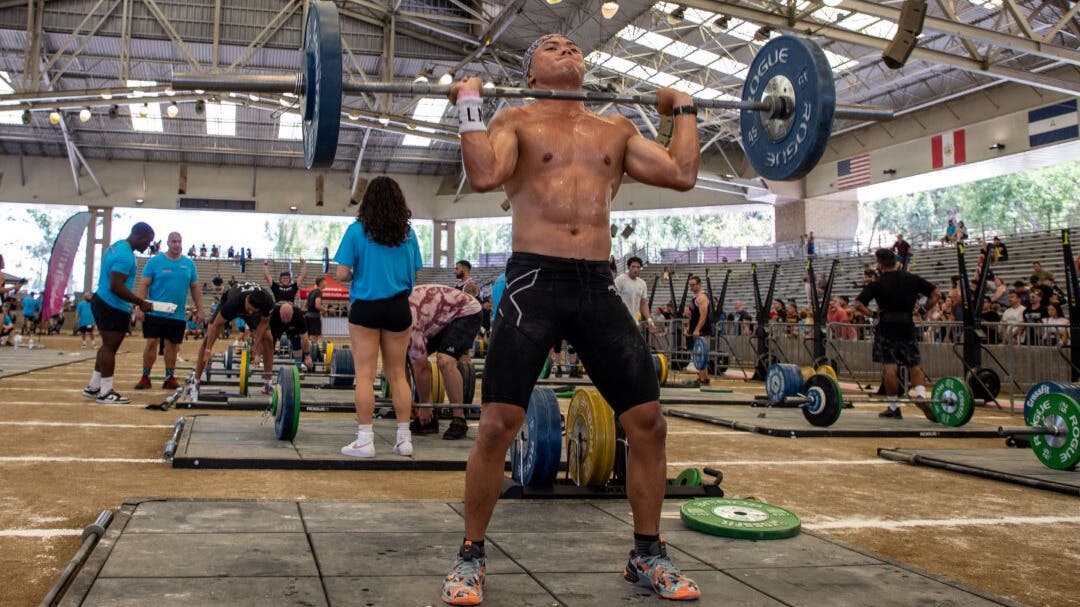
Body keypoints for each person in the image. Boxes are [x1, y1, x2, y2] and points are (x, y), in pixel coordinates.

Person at [442, 33, 702, 604]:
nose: (566, 48)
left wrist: (682, 104)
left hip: (596, 284)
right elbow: (485, 175)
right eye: (551, 45)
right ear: (531, 68)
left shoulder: (616, 130)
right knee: (495, 425)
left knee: (649, 423)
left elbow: (683, 173)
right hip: (534, 281)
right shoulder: (515, 119)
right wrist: (468, 103)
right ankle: (470, 555)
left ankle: (647, 552)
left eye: (573, 44)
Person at [333, 176, 423, 459]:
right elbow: (413, 274)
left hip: (366, 309)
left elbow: (342, 273)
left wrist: (360, 274)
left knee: (365, 375)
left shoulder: (356, 231)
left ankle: (365, 440)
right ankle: (404, 439)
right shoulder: (408, 235)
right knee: (398, 374)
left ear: (367, 201)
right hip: (398, 307)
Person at [853, 249, 939, 420]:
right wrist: (922, 309)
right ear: (895, 262)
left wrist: (874, 315)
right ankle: (921, 394)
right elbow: (936, 293)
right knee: (914, 364)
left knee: (890, 369)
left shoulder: (877, 284)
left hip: (886, 327)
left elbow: (857, 304)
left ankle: (893, 407)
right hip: (907, 325)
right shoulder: (911, 278)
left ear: (880, 264)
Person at [81, 222, 155, 404]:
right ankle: (105, 391)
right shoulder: (125, 256)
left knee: (106, 346)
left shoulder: (116, 247)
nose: (148, 247)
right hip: (112, 305)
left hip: (103, 300)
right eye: (147, 242)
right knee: (109, 348)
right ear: (139, 236)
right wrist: (140, 302)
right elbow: (116, 286)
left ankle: (94, 386)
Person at [408, 284, 484, 440]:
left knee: (445, 360)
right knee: (403, 357)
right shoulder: (394, 319)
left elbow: (421, 368)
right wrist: (407, 403)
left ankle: (459, 418)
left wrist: (425, 404)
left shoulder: (410, 319)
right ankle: (429, 420)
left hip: (466, 311)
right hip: (440, 317)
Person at [133, 232, 204, 390]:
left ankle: (169, 377)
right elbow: (144, 284)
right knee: (151, 342)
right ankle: (145, 376)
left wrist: (200, 309)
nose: (176, 244)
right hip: (154, 312)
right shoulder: (155, 262)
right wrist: (139, 307)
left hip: (176, 314)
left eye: (179, 241)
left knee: (172, 346)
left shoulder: (189, 264)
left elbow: (195, 287)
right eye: (173, 241)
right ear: (167, 243)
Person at [191, 282, 275, 398]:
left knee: (268, 339)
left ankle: (267, 384)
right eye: (249, 309)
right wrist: (208, 350)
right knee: (208, 339)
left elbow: (263, 324)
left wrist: (255, 347)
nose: (249, 312)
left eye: (253, 311)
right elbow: (217, 325)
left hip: (252, 305)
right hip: (231, 300)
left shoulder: (268, 302)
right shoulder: (233, 302)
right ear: (247, 300)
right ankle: (196, 381)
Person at [264, 301, 314, 370]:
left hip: (293, 326)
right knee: (271, 341)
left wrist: (307, 355)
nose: (286, 320)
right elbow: (265, 335)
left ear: (292, 313)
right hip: (277, 325)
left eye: (288, 318)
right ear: (280, 313)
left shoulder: (298, 315)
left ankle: (298, 367)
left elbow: (304, 338)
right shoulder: (273, 314)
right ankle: (268, 368)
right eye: (284, 318)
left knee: (297, 342)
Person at [614, 256, 654, 331]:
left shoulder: (642, 283)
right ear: (629, 267)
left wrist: (649, 319)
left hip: (635, 322)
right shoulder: (620, 280)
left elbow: (643, 303)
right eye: (633, 266)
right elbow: (612, 299)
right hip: (620, 322)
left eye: (638, 267)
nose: (635, 269)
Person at [304, 276, 326, 347]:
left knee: (307, 337)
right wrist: (324, 309)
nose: (326, 283)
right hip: (314, 318)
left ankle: (306, 354)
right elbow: (317, 305)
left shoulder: (311, 292)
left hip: (307, 316)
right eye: (324, 282)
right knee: (314, 338)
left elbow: (305, 305)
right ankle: (313, 354)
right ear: (321, 283)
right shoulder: (318, 292)